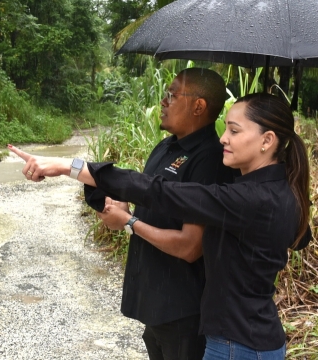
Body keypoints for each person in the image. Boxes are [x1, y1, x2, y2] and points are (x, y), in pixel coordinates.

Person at [8, 92, 313, 359]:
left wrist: (68, 167)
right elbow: (298, 238)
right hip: (244, 338)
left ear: (267, 140)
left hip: (239, 346)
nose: (223, 137)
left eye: (234, 130)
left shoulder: (253, 198)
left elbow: (161, 192)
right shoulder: (277, 190)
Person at [94, 68, 237, 360]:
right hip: (155, 303)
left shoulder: (209, 160)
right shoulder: (166, 147)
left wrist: (130, 223)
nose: (163, 101)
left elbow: (190, 246)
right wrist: (122, 209)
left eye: (172, 94)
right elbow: (152, 208)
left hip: (182, 310)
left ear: (199, 106)